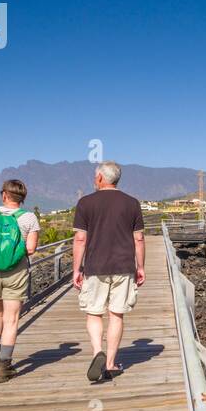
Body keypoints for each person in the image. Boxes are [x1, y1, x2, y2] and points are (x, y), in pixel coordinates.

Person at [72, 161, 145, 384]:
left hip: (95, 266)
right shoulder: (132, 203)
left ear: (101, 178)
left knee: (94, 313)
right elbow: (139, 238)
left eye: (96, 177)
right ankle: (111, 363)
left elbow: (80, 238)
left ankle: (97, 353)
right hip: (124, 267)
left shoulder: (85, 203)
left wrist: (76, 269)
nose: (95, 180)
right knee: (116, 314)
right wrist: (140, 267)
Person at [0, 179, 40, 383]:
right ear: (23, 198)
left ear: (4, 195)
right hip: (16, 271)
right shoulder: (29, 218)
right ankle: (4, 367)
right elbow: (30, 249)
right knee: (11, 320)